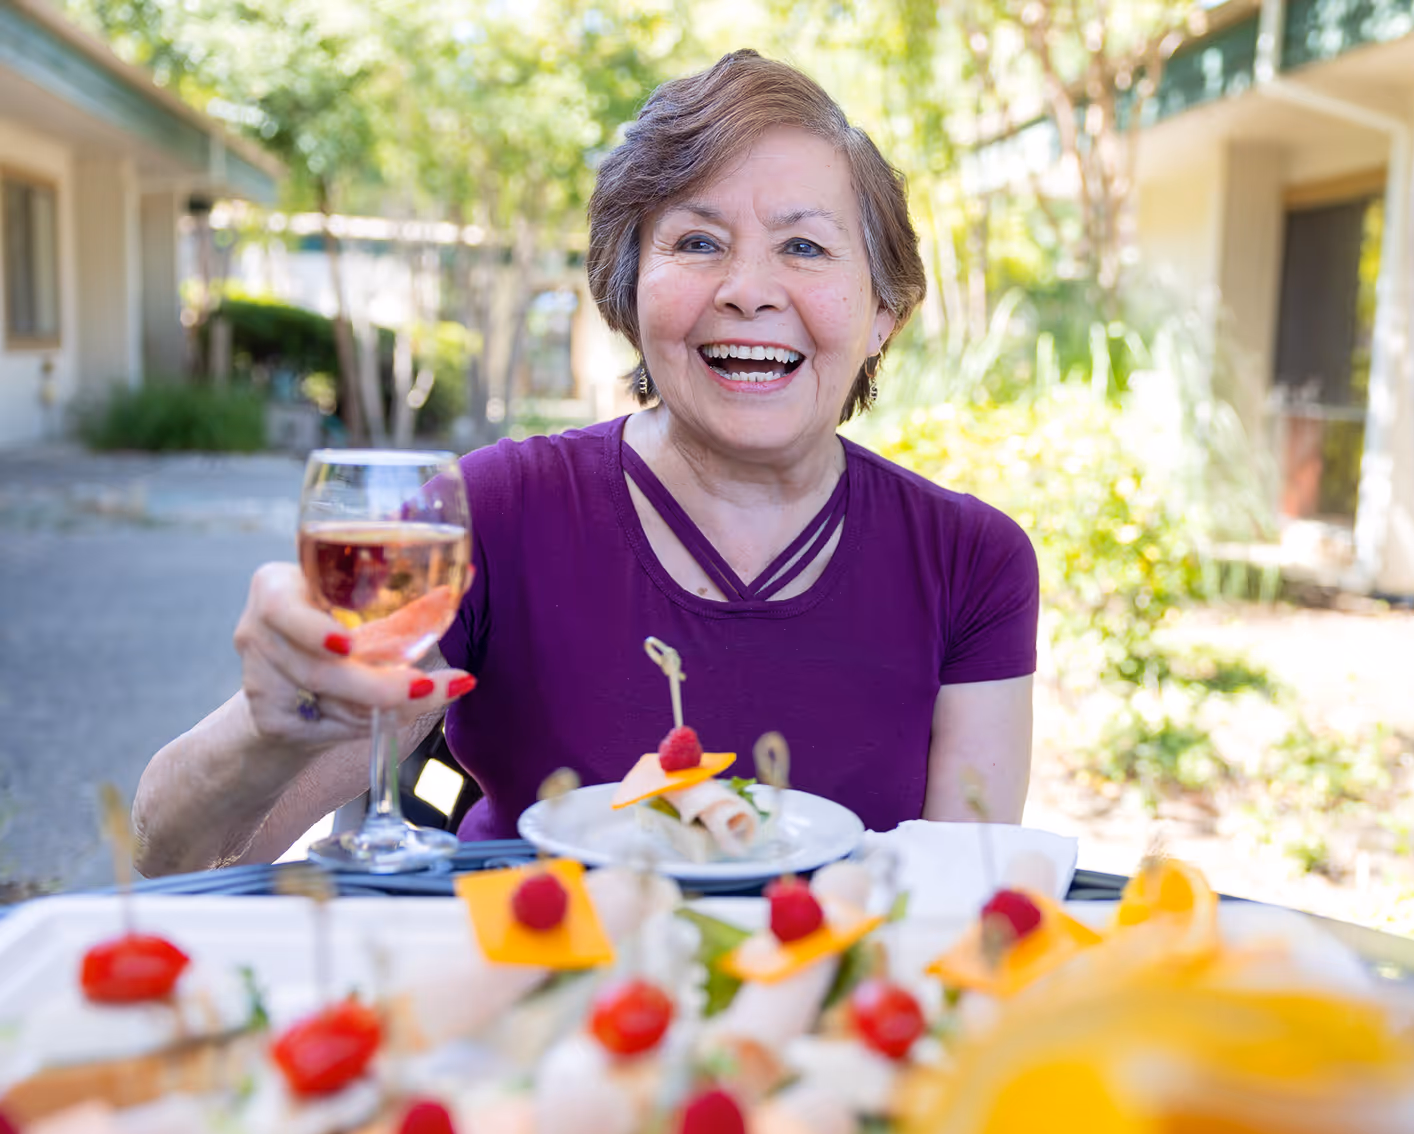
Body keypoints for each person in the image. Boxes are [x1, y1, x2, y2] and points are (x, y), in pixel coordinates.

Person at [133, 50, 1040, 876]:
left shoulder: (972, 562)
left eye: (803, 246)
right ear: (626, 288)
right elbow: (176, 854)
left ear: (884, 309)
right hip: (529, 1008)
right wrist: (272, 724)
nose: (749, 289)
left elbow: (961, 906)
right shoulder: (482, 512)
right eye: (697, 241)